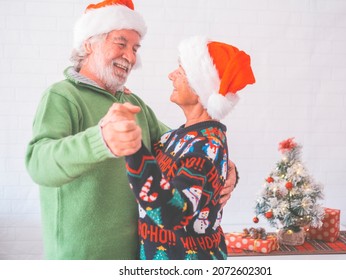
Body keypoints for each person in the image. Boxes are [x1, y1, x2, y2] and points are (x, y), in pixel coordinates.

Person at [24, 0, 237, 260]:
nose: (131, 56)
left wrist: (227, 170)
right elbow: (38, 163)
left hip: (138, 256)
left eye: (135, 48)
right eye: (121, 43)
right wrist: (101, 140)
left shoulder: (133, 104)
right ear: (89, 43)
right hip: (83, 257)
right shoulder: (63, 96)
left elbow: (185, 147)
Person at [125, 36, 255, 260]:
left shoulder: (205, 147)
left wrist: (132, 149)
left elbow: (172, 214)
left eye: (181, 70)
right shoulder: (177, 137)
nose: (171, 75)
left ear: (199, 89)